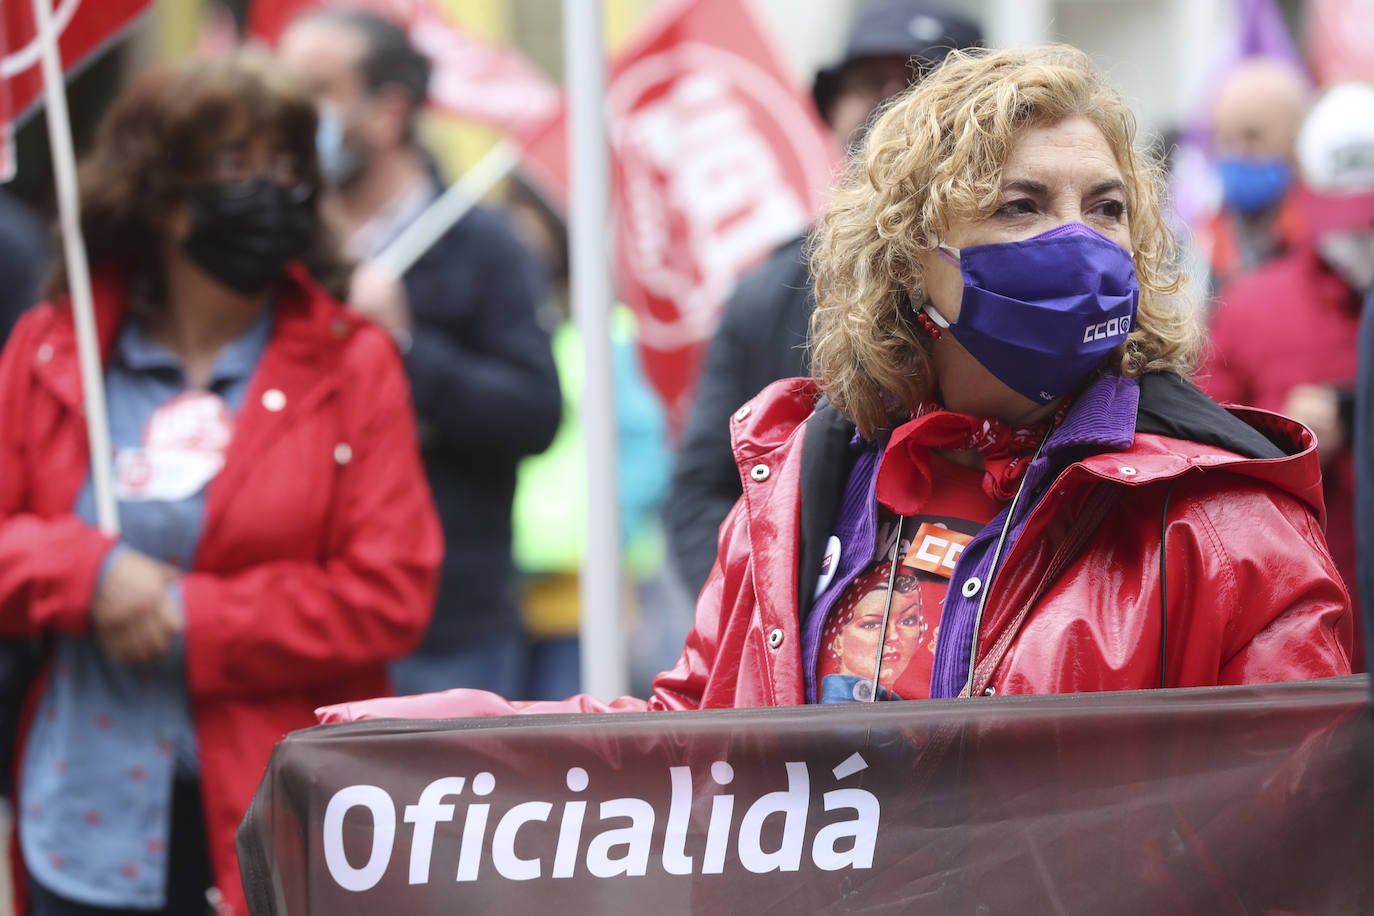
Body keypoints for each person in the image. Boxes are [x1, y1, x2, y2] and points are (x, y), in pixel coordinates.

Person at [321, 46, 1351, 726]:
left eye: (1109, 206)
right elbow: (695, 738)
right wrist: (471, 741)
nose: (1080, 241)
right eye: (1022, 204)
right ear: (912, 259)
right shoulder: (797, 493)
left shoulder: (1230, 526)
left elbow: (1287, 833)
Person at [0, 52, 442, 915]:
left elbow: (390, 589)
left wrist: (187, 618)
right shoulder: (54, 352)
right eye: (238, 166)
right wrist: (87, 577)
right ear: (163, 198)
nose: (270, 190)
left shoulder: (354, 362)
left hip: (281, 817)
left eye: (287, 166)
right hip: (82, 822)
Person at [277, 10, 562, 698]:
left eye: (315, 91)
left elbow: (532, 413)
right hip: (292, 623)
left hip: (446, 628)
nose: (289, 117)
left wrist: (404, 345)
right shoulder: (270, 246)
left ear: (389, 112)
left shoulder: (481, 245)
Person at [664, 0, 983, 600]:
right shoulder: (767, 291)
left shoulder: (1032, 282)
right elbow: (703, 490)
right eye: (868, 83)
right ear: (833, 110)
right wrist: (764, 614)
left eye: (920, 79)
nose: (890, 102)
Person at [1200, 81, 1374, 661]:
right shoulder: (1251, 307)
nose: (1360, 239)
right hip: (1307, 634)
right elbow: (1198, 462)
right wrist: (1283, 440)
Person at [1195, 56, 1310, 294]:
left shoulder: (1325, 243)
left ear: (1297, 140)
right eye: (1226, 139)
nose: (1238, 152)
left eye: (1253, 137)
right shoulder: (1193, 246)